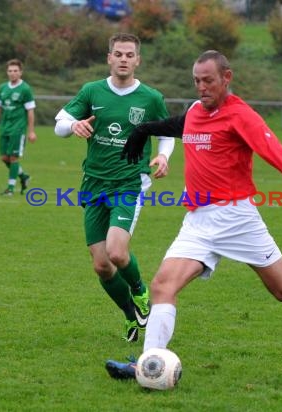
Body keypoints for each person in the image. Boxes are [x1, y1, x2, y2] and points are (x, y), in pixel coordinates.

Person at [105, 50, 282, 379]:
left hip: (238, 219)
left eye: (208, 81)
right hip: (197, 221)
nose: (201, 87)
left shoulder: (241, 116)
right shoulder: (194, 111)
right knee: (163, 286)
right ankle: (147, 365)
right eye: (196, 81)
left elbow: (280, 156)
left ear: (226, 78)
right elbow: (180, 125)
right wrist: (143, 130)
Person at [54, 33, 175, 342]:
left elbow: (168, 132)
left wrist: (162, 154)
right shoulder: (91, 91)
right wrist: (73, 125)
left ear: (137, 60)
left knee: (117, 253)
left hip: (129, 183)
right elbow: (59, 124)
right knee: (102, 267)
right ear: (109, 58)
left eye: (129, 54)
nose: (123, 59)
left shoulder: (150, 98)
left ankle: (140, 291)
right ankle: (130, 316)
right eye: (118, 54)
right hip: (94, 183)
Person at [0, 58, 37, 195]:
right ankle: (23, 176)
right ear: (7, 72)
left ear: (21, 72)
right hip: (5, 127)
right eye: (10, 71)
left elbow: (30, 111)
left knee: (14, 158)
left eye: (15, 71)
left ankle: (10, 189)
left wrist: (31, 131)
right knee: (4, 158)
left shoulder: (25, 89)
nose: (12, 73)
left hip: (18, 128)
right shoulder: (2, 88)